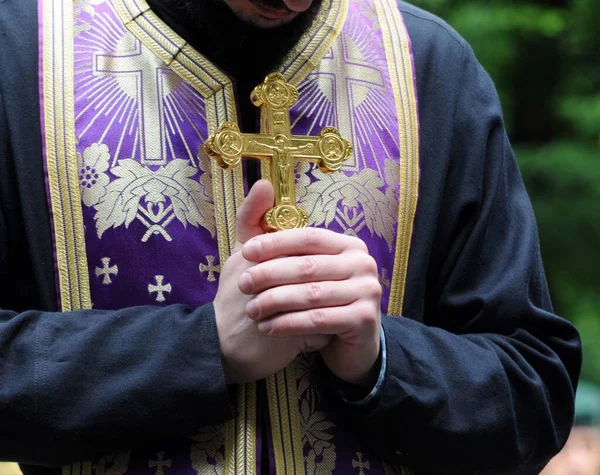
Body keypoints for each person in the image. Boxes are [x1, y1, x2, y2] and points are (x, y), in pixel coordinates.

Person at [0, 0, 582, 474]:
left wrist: (381, 361)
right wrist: (199, 349)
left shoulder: (432, 66)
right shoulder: (18, 52)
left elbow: (533, 394)